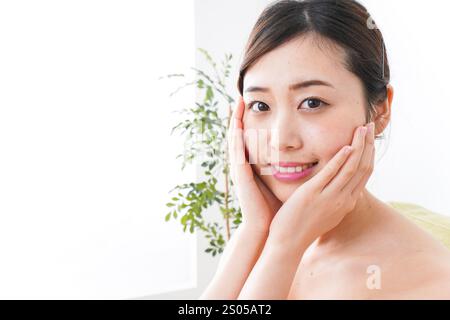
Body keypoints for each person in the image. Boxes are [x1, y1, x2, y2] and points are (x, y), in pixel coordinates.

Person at [199, 0, 450, 299]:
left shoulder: (424, 281)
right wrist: (255, 230)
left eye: (312, 103)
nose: (281, 140)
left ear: (380, 111)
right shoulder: (258, 239)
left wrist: (285, 246)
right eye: (260, 105)